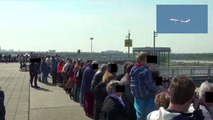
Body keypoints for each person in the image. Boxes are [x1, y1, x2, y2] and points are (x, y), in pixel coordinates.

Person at [130, 52, 158, 120]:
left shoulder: (133, 69)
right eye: (148, 61)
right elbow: (150, 85)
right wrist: (157, 89)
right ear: (142, 61)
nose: (150, 63)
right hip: (146, 95)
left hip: (136, 95)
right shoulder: (146, 71)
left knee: (140, 115)